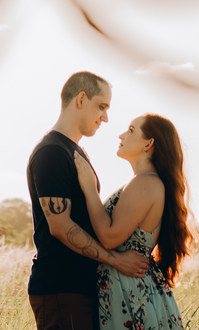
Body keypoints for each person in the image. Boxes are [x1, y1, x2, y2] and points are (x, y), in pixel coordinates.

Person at [27, 72, 151, 330]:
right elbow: (60, 226)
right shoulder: (52, 152)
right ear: (81, 99)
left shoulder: (75, 150)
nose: (105, 118)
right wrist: (116, 260)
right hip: (60, 288)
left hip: (80, 288)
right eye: (102, 107)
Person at [74, 113, 194, 330]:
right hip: (129, 286)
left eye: (131, 130)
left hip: (129, 290)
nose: (121, 135)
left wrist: (90, 189)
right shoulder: (146, 182)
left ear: (148, 144)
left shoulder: (145, 183)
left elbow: (109, 237)